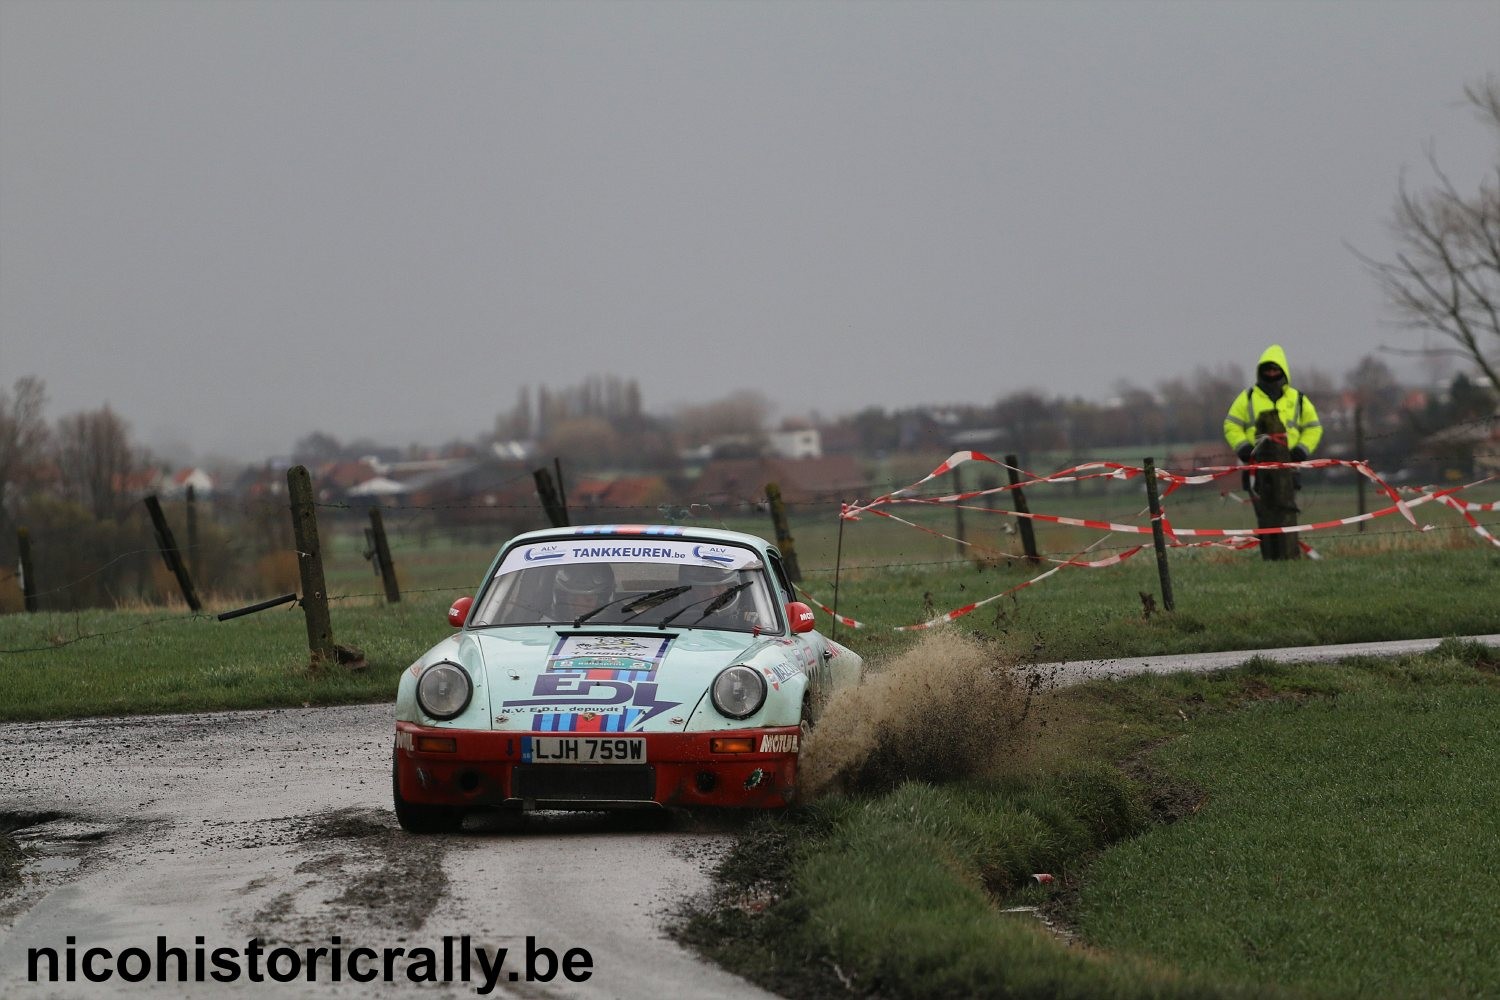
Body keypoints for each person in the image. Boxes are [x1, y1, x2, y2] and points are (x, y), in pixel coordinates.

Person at [1224, 345, 1323, 560]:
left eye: (1275, 369)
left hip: (1289, 468)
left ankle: (1288, 556)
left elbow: (1314, 427)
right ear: (1260, 371)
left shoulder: (1298, 399)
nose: (1271, 374)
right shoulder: (1247, 398)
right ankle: (1271, 558)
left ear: (1284, 371)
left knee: (1286, 512)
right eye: (1267, 369)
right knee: (1265, 516)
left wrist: (1301, 451)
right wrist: (1243, 449)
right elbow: (1231, 425)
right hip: (1255, 468)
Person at [549, 563, 614, 621]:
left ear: (602, 601)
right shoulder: (544, 621)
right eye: (573, 599)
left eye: (588, 600)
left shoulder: (621, 620)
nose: (579, 607)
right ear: (562, 599)